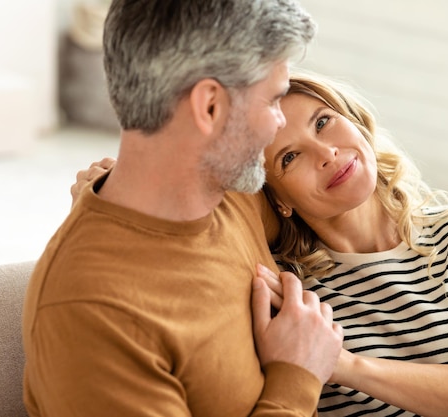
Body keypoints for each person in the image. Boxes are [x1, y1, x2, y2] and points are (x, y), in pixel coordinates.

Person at [73, 71, 448, 417]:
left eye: (323, 122)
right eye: (290, 158)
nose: (327, 153)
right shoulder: (294, 300)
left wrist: (345, 366)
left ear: (357, 122)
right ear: (279, 200)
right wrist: (104, 200)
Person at [22, 2, 344, 417]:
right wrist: (297, 377)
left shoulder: (233, 192)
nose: (279, 123)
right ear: (209, 107)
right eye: (273, 101)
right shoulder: (93, 315)